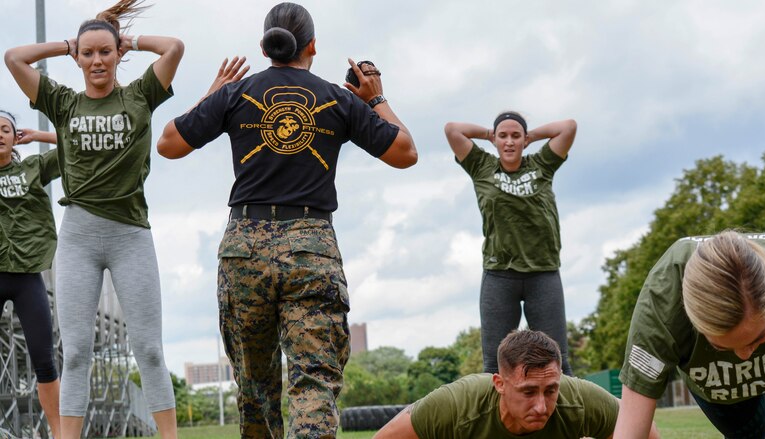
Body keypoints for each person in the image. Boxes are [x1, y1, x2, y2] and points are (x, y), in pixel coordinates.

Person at [156, 3, 417, 437]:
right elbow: (406, 153)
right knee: (313, 380)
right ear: (312, 45)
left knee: (255, 389)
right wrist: (376, 98)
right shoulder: (339, 98)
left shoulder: (235, 94)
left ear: (265, 47)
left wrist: (213, 92)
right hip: (311, 248)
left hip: (244, 249)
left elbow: (169, 144)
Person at [4, 1, 184, 437]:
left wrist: (130, 41)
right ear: (79, 58)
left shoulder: (139, 94)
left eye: (105, 52)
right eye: (88, 54)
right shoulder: (63, 102)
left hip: (130, 236)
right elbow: (13, 58)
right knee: (79, 351)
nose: (97, 60)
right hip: (78, 238)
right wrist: (66, 45)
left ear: (118, 54)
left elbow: (175, 48)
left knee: (149, 350)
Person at [444, 113, 577, 375]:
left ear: (524, 140)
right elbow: (452, 129)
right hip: (500, 275)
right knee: (494, 365)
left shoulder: (541, 164)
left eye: (515, 136)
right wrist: (488, 135)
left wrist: (530, 138)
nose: (509, 142)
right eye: (503, 136)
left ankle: (568, 415)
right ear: (495, 139)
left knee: (558, 361)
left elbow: (568, 127)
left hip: (543, 273)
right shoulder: (482, 166)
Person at [616, 231, 765, 439]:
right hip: (719, 384)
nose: (744, 356)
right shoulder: (662, 306)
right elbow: (630, 434)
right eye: (721, 346)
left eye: (759, 337)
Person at [375, 330, 660, 439]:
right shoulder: (458, 405)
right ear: (499, 383)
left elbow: (644, 431)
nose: (541, 405)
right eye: (528, 391)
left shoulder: (577, 401)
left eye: (550, 390)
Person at [0, 112, 61, 439]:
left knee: (44, 359)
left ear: (14, 136)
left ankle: (59, 432)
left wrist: (38, 136)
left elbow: (76, 145)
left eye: (5, 129)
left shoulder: (31, 169)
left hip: (27, 275)